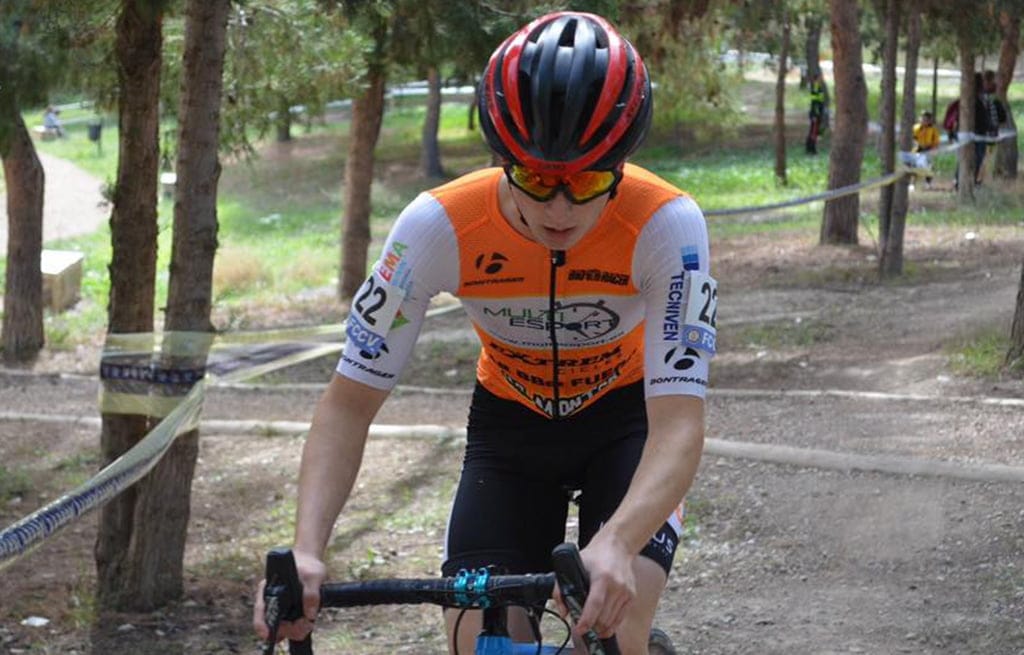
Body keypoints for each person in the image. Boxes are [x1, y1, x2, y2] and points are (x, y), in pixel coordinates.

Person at [252, 11, 713, 655]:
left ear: (621, 164)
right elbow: (348, 404)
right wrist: (306, 549)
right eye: (536, 179)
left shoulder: (667, 224)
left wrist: (617, 541)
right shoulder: (437, 227)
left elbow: (680, 424)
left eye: (586, 180)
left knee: (613, 630)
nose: (559, 208)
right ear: (501, 160)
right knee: (479, 642)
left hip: (626, 426)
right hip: (510, 430)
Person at [911, 111, 940, 188]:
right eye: (923, 119)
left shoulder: (933, 130)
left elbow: (936, 141)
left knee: (929, 167)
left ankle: (928, 183)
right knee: (915, 166)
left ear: (930, 120)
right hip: (918, 149)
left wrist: (933, 148)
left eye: (927, 119)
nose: (924, 121)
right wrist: (917, 144)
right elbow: (913, 138)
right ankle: (912, 183)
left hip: (929, 150)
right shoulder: (916, 128)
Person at [805, 71, 827, 154]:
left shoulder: (818, 87)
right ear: (816, 79)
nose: (821, 79)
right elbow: (814, 103)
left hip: (817, 113)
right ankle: (811, 149)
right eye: (820, 78)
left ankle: (811, 148)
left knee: (815, 131)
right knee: (813, 132)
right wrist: (815, 114)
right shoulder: (816, 88)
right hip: (815, 114)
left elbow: (820, 102)